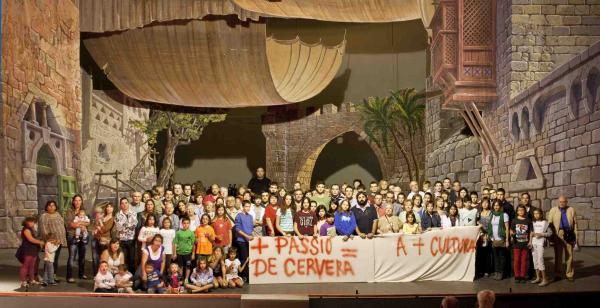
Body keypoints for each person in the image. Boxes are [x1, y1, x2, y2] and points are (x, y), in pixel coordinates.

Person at [547, 195, 578, 282]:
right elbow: (550, 224)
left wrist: (576, 236)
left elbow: (575, 224)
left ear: (566, 202)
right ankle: (558, 274)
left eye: (563, 202)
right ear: (558, 202)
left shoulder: (571, 209)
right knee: (558, 255)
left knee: (569, 255)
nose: (562, 203)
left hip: (569, 234)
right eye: (560, 202)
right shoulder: (553, 210)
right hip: (558, 234)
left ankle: (569, 274)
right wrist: (551, 237)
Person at [37, 200, 66, 283]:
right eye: (49, 205)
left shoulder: (58, 215)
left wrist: (61, 238)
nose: (51, 207)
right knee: (49, 260)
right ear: (46, 207)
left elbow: (62, 226)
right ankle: (47, 278)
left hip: (59, 241)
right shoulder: (44, 216)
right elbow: (43, 230)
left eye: (53, 205)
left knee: (55, 259)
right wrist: (49, 239)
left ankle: (52, 275)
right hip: (51, 241)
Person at [65, 195, 89, 283]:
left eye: (79, 200)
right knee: (72, 256)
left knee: (82, 256)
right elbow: (69, 224)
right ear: (73, 201)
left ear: (81, 201)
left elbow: (88, 222)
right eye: (76, 200)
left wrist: (78, 224)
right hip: (72, 236)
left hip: (83, 236)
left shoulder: (85, 211)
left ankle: (81, 274)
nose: (78, 202)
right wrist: (81, 224)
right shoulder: (69, 211)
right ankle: (69, 276)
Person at [18, 217, 44, 288]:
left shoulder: (32, 229)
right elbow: (30, 239)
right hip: (28, 249)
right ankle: (23, 281)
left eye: (33, 222)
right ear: (26, 222)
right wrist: (40, 242)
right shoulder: (26, 229)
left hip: (33, 249)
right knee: (26, 265)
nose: (33, 223)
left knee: (32, 265)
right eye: (31, 222)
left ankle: (32, 279)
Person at [115, 197, 138, 275]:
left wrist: (125, 226)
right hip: (122, 239)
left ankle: (131, 275)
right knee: (123, 259)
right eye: (122, 203)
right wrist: (128, 226)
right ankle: (123, 275)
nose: (124, 205)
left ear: (128, 204)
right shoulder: (118, 215)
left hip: (131, 239)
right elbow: (119, 227)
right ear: (120, 205)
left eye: (126, 203)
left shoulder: (133, 213)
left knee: (131, 259)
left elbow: (134, 225)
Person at [530, 208, 551, 287]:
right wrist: (530, 241)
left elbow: (549, 233)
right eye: (534, 213)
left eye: (538, 213)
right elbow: (531, 233)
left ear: (541, 214)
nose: (536, 215)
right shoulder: (533, 222)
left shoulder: (545, 223)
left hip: (540, 243)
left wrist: (541, 234)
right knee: (535, 260)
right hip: (534, 243)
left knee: (540, 260)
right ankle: (538, 277)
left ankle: (544, 279)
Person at [489, 200, 510, 280]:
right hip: (494, 239)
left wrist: (507, 240)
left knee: (502, 257)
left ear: (500, 206)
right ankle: (496, 272)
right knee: (495, 257)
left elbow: (507, 228)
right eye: (494, 205)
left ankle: (501, 273)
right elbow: (491, 226)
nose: (496, 207)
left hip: (501, 239)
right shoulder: (492, 215)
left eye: (497, 205)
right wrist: (491, 237)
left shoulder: (504, 215)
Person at [511, 205, 532, 283]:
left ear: (525, 211)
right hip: (517, 244)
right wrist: (512, 234)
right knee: (516, 260)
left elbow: (530, 232)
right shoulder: (514, 220)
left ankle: (522, 276)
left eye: (522, 210)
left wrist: (530, 241)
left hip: (525, 243)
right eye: (519, 210)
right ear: (517, 211)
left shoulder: (528, 221)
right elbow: (511, 230)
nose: (520, 212)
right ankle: (517, 276)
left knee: (524, 260)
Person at [234, 200, 254, 282]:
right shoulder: (239, 215)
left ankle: (248, 275)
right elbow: (237, 228)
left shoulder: (250, 216)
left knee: (250, 258)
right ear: (243, 206)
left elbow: (251, 229)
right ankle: (243, 275)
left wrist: (251, 236)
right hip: (241, 240)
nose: (248, 208)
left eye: (249, 206)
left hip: (249, 241)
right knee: (244, 258)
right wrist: (246, 236)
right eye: (246, 206)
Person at [93, 202, 114, 275]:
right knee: (96, 257)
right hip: (97, 238)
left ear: (113, 208)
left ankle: (104, 274)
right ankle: (96, 274)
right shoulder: (103, 216)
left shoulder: (112, 219)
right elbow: (96, 225)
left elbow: (105, 230)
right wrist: (98, 225)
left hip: (105, 241)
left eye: (110, 207)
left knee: (104, 258)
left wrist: (100, 224)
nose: (108, 208)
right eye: (107, 207)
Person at [476, 198, 493, 278]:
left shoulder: (491, 213)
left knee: (488, 254)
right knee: (480, 254)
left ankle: (487, 270)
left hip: (488, 235)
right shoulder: (479, 213)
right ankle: (480, 270)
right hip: (480, 235)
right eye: (483, 203)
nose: (485, 204)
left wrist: (488, 233)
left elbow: (492, 224)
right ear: (481, 204)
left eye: (487, 203)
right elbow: (476, 222)